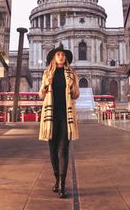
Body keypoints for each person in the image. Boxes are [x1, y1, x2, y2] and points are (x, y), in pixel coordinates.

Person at [38, 43, 79, 198]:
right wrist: (46, 84)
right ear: (54, 58)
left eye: (63, 55)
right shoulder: (47, 74)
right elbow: (41, 95)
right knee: (53, 150)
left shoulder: (72, 74)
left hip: (65, 116)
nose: (61, 57)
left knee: (63, 150)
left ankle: (62, 184)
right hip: (51, 116)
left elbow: (76, 95)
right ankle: (56, 179)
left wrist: (71, 86)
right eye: (58, 55)